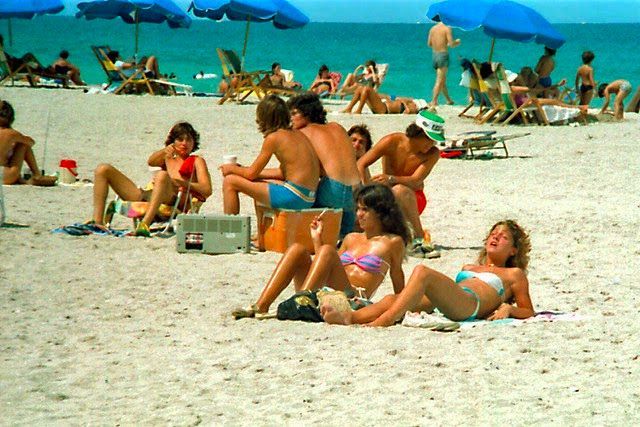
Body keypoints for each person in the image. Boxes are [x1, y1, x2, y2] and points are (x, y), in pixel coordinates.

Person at [232, 183, 409, 319]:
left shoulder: (392, 242)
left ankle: (301, 301)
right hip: (323, 292)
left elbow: (397, 276)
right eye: (358, 209)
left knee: (327, 250)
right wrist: (317, 239)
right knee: (297, 249)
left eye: (365, 210)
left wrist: (401, 308)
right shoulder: (351, 238)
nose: (359, 214)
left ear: (381, 211)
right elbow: (326, 266)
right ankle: (261, 305)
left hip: (352, 299)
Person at [322, 220, 535, 327]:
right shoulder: (469, 268)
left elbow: (528, 311)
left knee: (422, 272)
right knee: (393, 298)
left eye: (503, 237)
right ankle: (352, 318)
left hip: (471, 304)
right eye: (493, 234)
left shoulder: (514, 274)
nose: (495, 238)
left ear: (514, 250)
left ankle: (384, 321)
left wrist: (509, 308)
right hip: (453, 302)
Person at [91, 122, 212, 236]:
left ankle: (145, 224)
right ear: (173, 141)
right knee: (103, 169)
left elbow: (207, 189)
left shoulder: (196, 161)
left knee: (162, 175)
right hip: (150, 195)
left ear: (194, 142)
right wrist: (165, 151)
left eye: (189, 140)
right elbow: (151, 162)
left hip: (174, 201)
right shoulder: (168, 157)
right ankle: (97, 222)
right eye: (180, 139)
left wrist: (182, 183)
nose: (184, 143)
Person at [356, 110, 443, 257]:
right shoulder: (392, 141)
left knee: (400, 190)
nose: (432, 144)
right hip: (386, 197)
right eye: (429, 139)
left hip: (413, 199)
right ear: (418, 133)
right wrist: (365, 191)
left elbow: (416, 180)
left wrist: (391, 179)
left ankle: (419, 238)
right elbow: (361, 163)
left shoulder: (433, 154)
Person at [220, 94, 320, 214]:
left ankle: (231, 231)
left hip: (294, 196)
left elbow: (251, 174)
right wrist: (242, 169)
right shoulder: (298, 134)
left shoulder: (274, 138)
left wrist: (231, 169)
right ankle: (262, 233)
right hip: (308, 197)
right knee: (259, 186)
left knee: (230, 181)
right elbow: (282, 173)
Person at [286, 93, 361, 238]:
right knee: (345, 237)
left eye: (294, 113)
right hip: (356, 190)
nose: (291, 118)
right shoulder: (337, 127)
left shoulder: (303, 133)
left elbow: (303, 171)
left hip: (332, 190)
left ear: (307, 114)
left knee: (302, 203)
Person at [0, 100, 57, 186]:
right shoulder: (10, 133)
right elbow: (31, 142)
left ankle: (24, 179)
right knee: (23, 145)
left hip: (5, 174)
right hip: (5, 176)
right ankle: (37, 174)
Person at [427, 22, 460, 107]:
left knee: (442, 79)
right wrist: (457, 42)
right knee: (439, 79)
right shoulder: (447, 28)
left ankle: (448, 100)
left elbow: (429, 44)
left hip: (434, 55)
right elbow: (451, 44)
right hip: (442, 55)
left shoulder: (433, 29)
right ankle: (433, 101)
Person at [341, 85, 425, 114]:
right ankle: (349, 108)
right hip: (382, 105)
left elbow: (408, 112)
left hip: (384, 109)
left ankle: (359, 110)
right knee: (360, 88)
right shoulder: (407, 102)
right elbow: (391, 97)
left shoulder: (413, 108)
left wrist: (406, 104)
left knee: (367, 89)